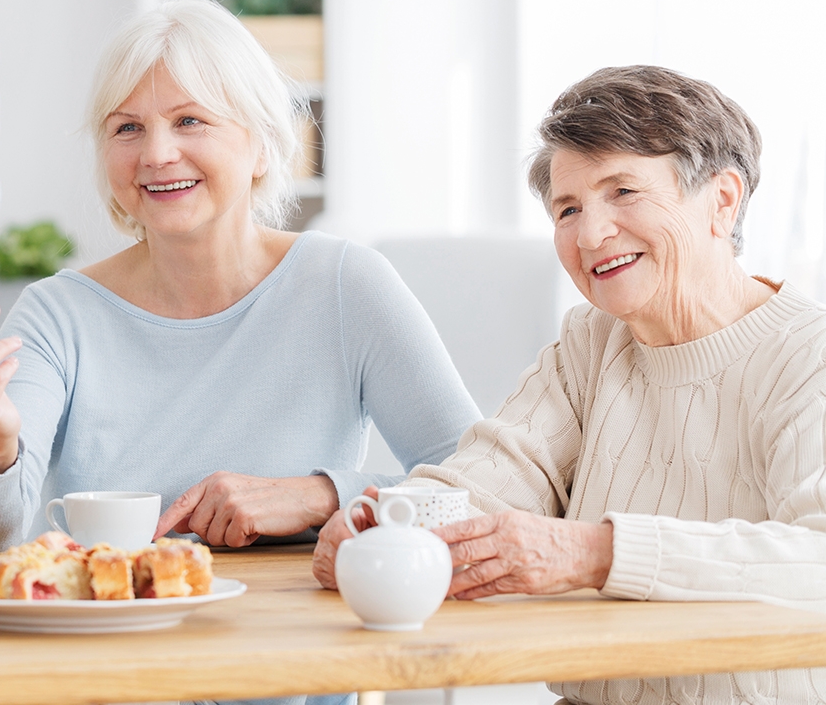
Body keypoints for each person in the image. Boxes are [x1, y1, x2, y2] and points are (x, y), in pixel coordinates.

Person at [313, 66, 826, 703]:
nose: (590, 234)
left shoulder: (810, 354)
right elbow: (488, 479)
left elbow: (819, 561)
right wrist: (392, 525)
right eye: (568, 209)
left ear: (723, 200)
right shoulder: (592, 342)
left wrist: (598, 553)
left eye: (624, 192)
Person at [0, 0, 481, 558]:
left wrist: (324, 495)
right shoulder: (56, 314)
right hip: (115, 634)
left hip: (298, 635)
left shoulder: (346, 285)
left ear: (261, 145)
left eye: (189, 120)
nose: (156, 153)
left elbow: (481, 488)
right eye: (127, 128)